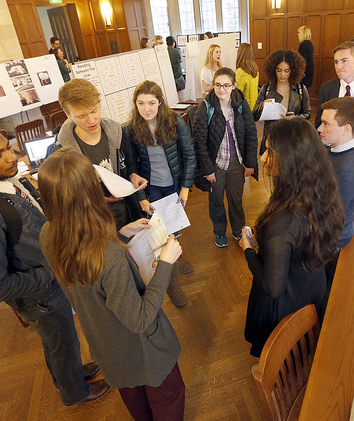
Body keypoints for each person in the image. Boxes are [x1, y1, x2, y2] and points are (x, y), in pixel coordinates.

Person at [0, 112, 109, 406]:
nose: (12, 156)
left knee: (59, 341)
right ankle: (74, 393)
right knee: (60, 340)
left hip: (49, 287)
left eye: (8, 146)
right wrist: (51, 273)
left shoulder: (13, 181)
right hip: (39, 297)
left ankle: (69, 375)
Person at [38, 148, 185, 421]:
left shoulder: (49, 233)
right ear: (90, 192)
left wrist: (121, 233)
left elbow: (86, 271)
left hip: (108, 347)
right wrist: (165, 262)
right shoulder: (107, 253)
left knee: (137, 403)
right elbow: (140, 319)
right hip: (144, 350)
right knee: (168, 399)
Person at [240, 117, 344, 357]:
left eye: (270, 151)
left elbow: (273, 287)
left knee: (278, 352)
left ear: (292, 160)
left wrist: (247, 249)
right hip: (310, 285)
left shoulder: (284, 224)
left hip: (286, 304)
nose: (263, 157)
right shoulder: (317, 189)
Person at [123, 80, 195, 307]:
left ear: (160, 102)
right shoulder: (131, 128)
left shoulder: (174, 121)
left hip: (173, 185)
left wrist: (185, 186)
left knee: (173, 226)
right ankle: (172, 284)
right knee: (160, 234)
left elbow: (189, 157)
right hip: (151, 189)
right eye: (141, 103)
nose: (146, 108)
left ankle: (177, 253)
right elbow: (131, 168)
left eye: (151, 103)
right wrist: (141, 198)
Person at [54, 78, 143, 229]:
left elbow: (130, 163)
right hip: (93, 221)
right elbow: (65, 196)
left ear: (100, 104)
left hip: (127, 211)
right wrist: (93, 198)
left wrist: (133, 174)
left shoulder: (118, 132)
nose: (91, 120)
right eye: (81, 116)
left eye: (94, 110)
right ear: (68, 115)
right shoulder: (61, 151)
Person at [192, 67, 258, 248]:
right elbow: (199, 143)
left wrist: (250, 162)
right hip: (216, 166)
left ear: (234, 86)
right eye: (218, 85)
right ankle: (220, 232)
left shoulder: (240, 104)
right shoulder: (205, 108)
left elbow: (251, 133)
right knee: (216, 201)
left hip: (236, 163)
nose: (222, 89)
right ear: (213, 85)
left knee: (236, 199)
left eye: (226, 85)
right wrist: (208, 170)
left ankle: (238, 231)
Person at [317, 97, 354, 299]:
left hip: (329, 242)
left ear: (346, 129)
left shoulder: (350, 169)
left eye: (326, 124)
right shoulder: (334, 149)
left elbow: (329, 217)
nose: (320, 128)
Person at [253, 49, 311, 156]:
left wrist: (295, 118)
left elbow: (307, 113)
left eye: (286, 71)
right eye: (279, 70)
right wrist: (262, 106)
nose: (282, 74)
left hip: (293, 136)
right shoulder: (266, 89)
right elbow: (254, 115)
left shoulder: (300, 89)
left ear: (293, 70)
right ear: (273, 70)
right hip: (272, 137)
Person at [235, 43, 259, 110]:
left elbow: (238, 93)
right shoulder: (255, 70)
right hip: (255, 105)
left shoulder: (241, 71)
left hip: (245, 108)